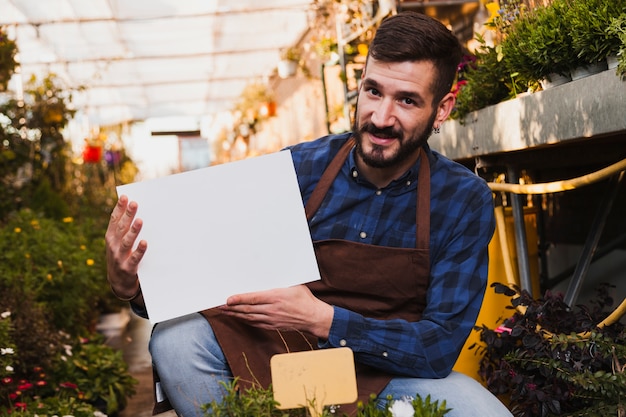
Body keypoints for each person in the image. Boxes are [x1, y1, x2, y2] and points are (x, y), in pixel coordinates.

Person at [105, 11, 512, 417]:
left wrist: (325, 319)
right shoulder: (298, 169)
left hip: (386, 375)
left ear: (442, 110)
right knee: (176, 339)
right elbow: (207, 279)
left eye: (406, 100)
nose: (381, 118)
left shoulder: (462, 200)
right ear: (360, 86)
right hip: (283, 361)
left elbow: (438, 348)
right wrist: (130, 284)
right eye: (373, 91)